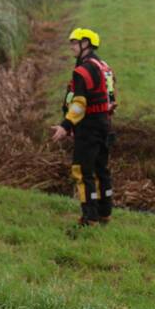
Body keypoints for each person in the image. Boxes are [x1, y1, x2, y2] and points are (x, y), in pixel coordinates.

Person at [51, 27, 117, 226]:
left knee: (83, 171)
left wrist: (66, 125)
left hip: (88, 127)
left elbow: (79, 104)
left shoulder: (83, 70)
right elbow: (111, 100)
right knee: (101, 170)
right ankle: (104, 212)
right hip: (104, 124)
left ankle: (89, 218)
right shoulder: (104, 67)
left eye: (74, 43)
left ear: (85, 43)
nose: (71, 46)